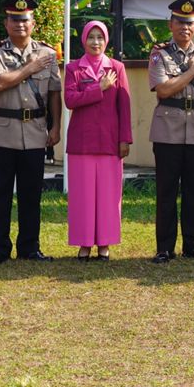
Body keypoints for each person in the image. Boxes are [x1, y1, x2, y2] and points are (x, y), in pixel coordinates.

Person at [0, 0, 62, 265]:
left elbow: (54, 93)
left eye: (24, 20)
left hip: (35, 132)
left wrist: (56, 127)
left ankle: (30, 247)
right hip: (2, 133)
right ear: (6, 23)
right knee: (0, 196)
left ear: (33, 23)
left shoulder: (48, 53)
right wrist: (29, 68)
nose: (19, 25)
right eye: (14, 20)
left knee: (31, 196)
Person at [147, 0, 194, 263]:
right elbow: (164, 89)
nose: (185, 27)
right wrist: (192, 71)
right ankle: (165, 248)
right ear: (170, 24)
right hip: (168, 128)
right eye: (179, 21)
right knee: (166, 190)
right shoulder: (159, 54)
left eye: (190, 23)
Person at [64, 20, 132, 261]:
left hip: (109, 142)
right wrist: (99, 87)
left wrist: (125, 139)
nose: (96, 42)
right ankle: (84, 243)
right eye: (91, 37)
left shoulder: (116, 67)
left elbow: (124, 106)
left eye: (100, 37)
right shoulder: (73, 68)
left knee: (108, 195)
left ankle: (104, 243)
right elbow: (70, 100)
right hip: (81, 142)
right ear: (84, 40)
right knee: (82, 196)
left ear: (106, 41)